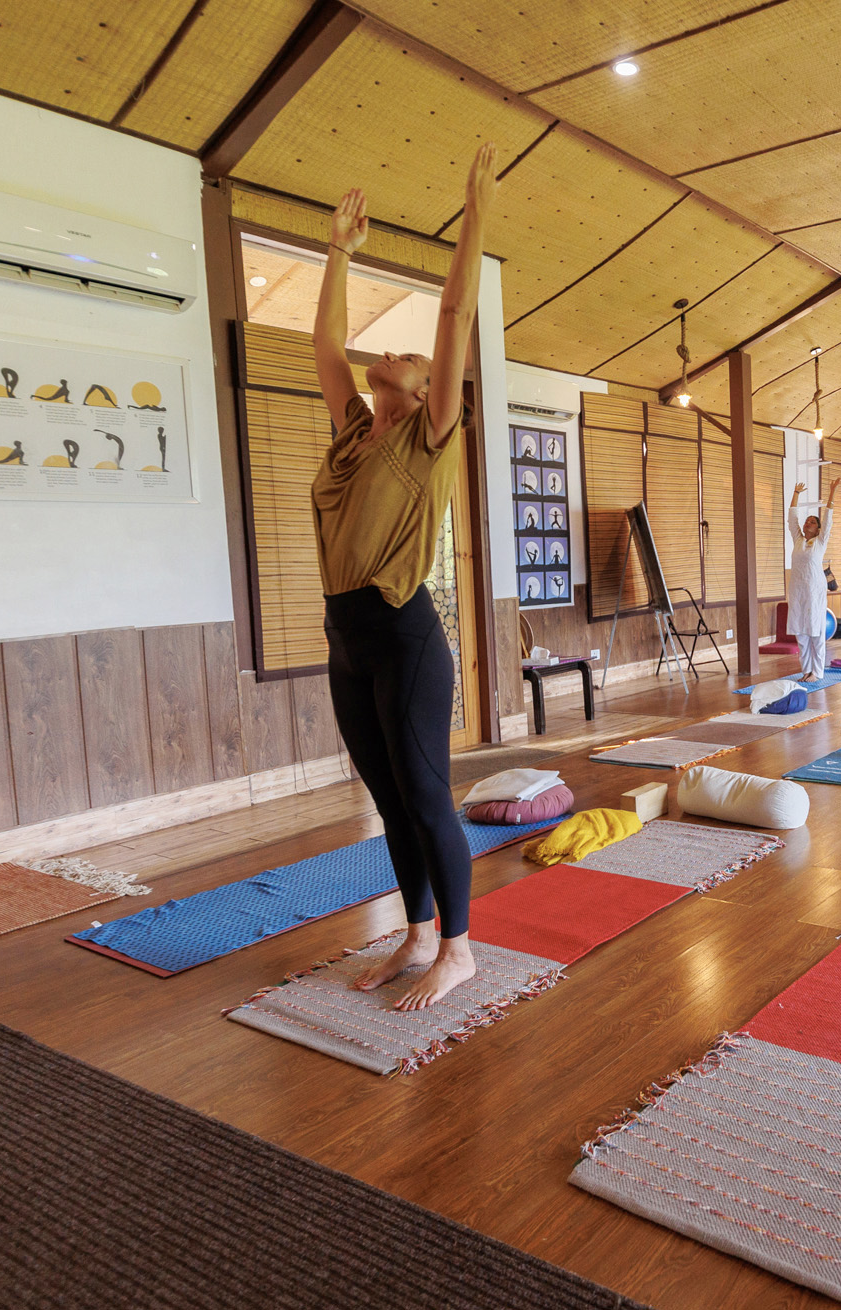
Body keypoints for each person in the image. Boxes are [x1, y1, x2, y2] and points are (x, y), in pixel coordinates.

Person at [309, 144, 498, 1010]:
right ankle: (418, 934)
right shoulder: (354, 432)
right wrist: (338, 251)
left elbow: (456, 309)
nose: (396, 353)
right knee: (388, 798)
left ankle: (459, 948)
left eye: (414, 363)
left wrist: (476, 207)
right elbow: (322, 344)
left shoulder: (431, 439)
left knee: (426, 793)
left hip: (405, 634)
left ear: (427, 393)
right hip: (346, 637)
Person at [786, 477, 840, 680]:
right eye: (807, 520)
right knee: (801, 632)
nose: (808, 522)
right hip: (797, 590)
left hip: (815, 590)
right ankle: (806, 670)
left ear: (817, 529)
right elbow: (792, 520)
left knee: (816, 632)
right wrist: (796, 494)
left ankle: (817, 672)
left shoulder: (820, 541)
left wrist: (832, 492)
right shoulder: (798, 540)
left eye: (812, 521)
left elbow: (828, 520)